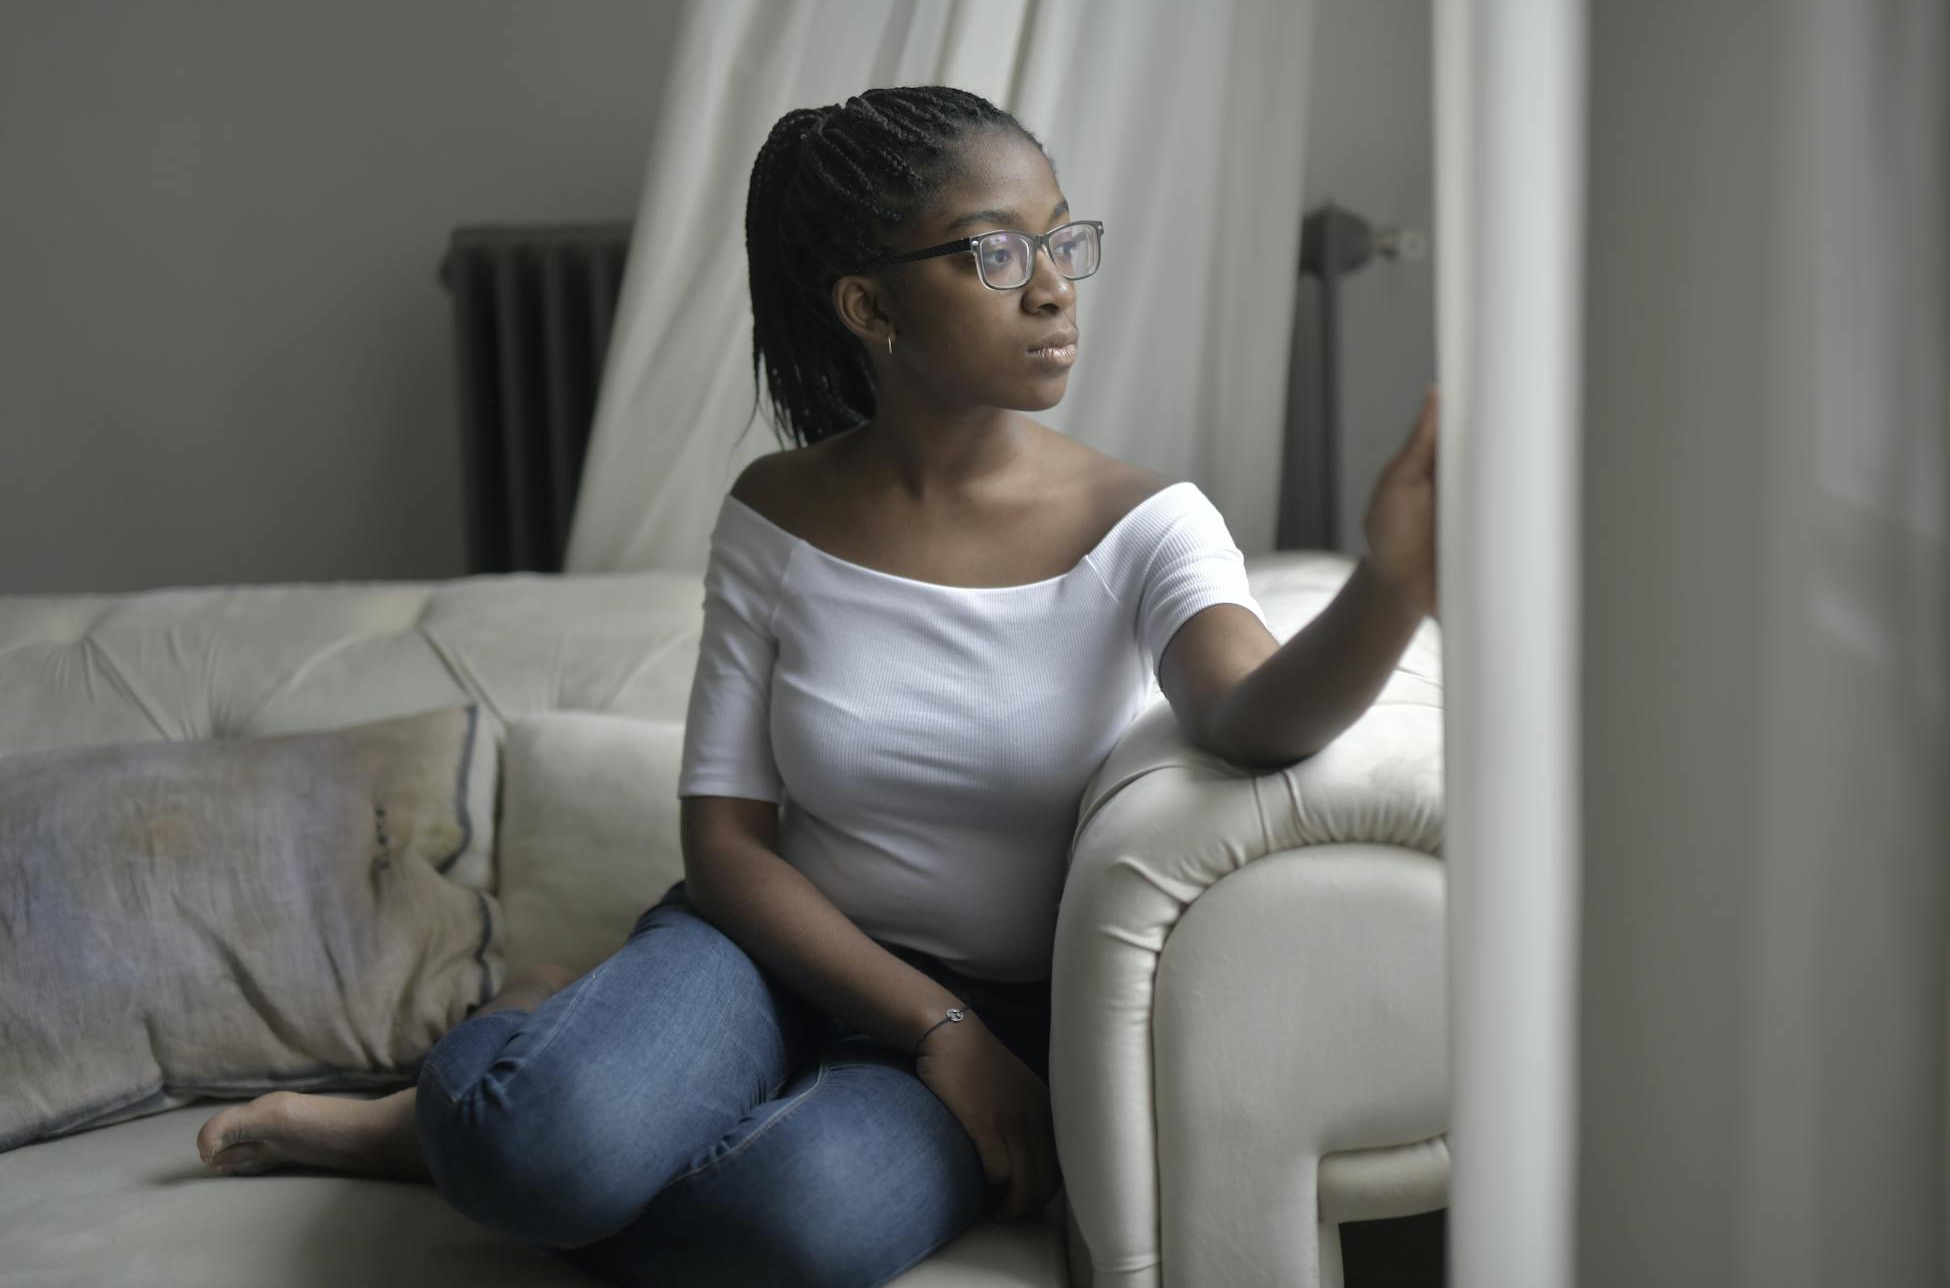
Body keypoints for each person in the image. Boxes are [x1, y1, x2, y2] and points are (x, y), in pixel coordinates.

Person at [192, 83, 1438, 1288]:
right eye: (997, 252)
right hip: (760, 953)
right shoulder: (775, 517)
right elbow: (727, 846)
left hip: (1007, 1010)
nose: (1054, 283)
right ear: (869, 305)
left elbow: (1252, 715)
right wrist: (928, 1025)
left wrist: (1388, 584)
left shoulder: (1148, 523)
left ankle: (495, 1105)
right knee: (542, 1144)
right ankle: (461, 1102)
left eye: (1062, 239)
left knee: (788, 1231)